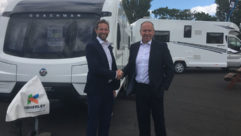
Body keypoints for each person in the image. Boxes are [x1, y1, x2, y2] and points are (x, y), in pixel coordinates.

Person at [121, 21, 174, 136]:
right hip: (140, 90)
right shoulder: (134, 47)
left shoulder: (161, 47)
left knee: (159, 120)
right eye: (144, 30)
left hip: (156, 90)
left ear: (153, 32)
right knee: (142, 120)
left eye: (149, 30)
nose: (147, 33)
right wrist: (122, 72)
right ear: (140, 32)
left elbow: (170, 68)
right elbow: (131, 65)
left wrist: (164, 86)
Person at [84, 19, 121, 136]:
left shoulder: (108, 46)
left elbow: (112, 66)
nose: (104, 31)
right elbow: (95, 69)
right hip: (95, 90)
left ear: (109, 31)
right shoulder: (91, 45)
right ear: (96, 30)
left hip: (108, 90)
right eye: (101, 29)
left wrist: (114, 87)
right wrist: (115, 74)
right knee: (93, 121)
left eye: (106, 29)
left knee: (106, 120)